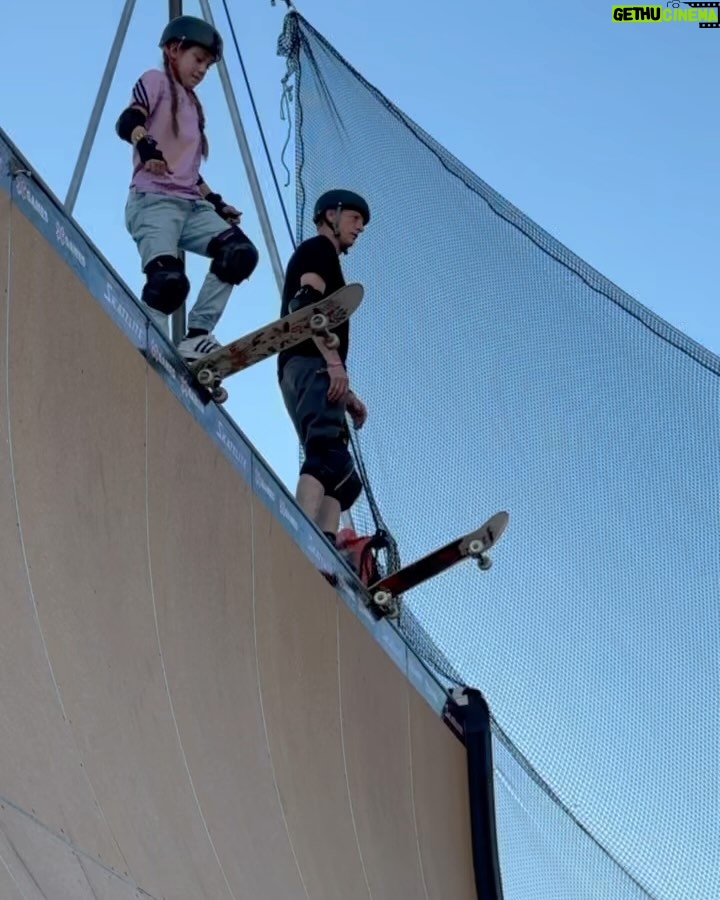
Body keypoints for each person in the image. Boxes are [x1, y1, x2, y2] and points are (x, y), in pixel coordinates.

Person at [115, 15, 258, 361]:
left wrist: (216, 202)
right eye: (198, 60)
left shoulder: (193, 107)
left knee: (239, 253)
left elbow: (188, 171)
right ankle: (147, 345)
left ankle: (196, 337)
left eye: (207, 66)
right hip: (153, 203)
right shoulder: (156, 81)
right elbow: (128, 120)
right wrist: (146, 147)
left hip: (192, 205)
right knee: (169, 283)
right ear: (173, 49)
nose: (201, 71)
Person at [278, 189, 370, 549]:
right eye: (355, 218)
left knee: (345, 479)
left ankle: (326, 545)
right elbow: (305, 304)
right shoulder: (318, 250)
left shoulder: (328, 258)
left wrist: (347, 396)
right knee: (324, 453)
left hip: (303, 369)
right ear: (331, 214)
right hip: (310, 363)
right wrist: (333, 363)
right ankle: (302, 532)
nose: (359, 227)